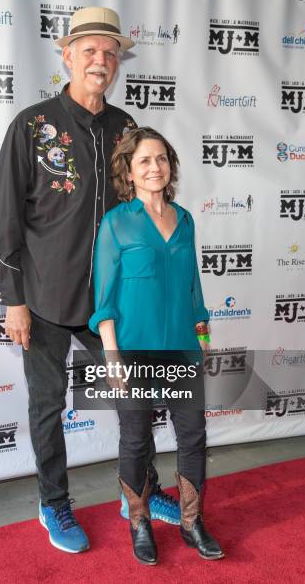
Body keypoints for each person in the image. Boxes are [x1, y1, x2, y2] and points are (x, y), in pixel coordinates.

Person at [0, 7, 180, 555]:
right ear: (67, 54)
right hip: (46, 299)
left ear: (119, 61)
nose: (101, 61)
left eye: (110, 52)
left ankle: (137, 493)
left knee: (135, 401)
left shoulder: (127, 129)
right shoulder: (32, 126)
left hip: (114, 303)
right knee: (48, 408)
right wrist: (14, 301)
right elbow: (5, 220)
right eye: (90, 50)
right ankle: (53, 502)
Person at [89, 127, 224, 565]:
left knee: (193, 437)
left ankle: (191, 522)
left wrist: (201, 341)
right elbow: (103, 300)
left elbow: (194, 291)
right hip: (133, 351)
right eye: (145, 160)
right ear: (128, 171)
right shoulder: (116, 223)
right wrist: (112, 357)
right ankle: (140, 521)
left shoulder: (185, 220)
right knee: (135, 441)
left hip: (182, 348)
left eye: (162, 158)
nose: (155, 167)